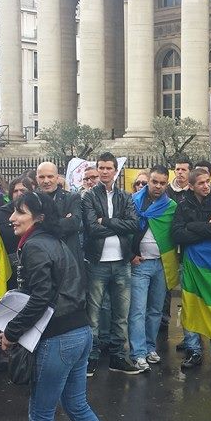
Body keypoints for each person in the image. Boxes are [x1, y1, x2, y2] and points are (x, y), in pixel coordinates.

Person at [0, 191, 123, 421]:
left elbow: (40, 298)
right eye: (13, 212)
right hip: (80, 333)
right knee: (77, 405)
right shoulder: (56, 242)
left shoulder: (35, 246)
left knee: (41, 414)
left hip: (59, 340)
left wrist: (11, 332)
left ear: (37, 218)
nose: (12, 218)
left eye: (20, 213)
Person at [82, 153, 141, 375]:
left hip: (122, 263)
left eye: (109, 168)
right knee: (93, 315)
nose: (105, 171)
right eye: (101, 168)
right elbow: (91, 228)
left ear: (115, 170)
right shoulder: (88, 197)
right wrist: (119, 225)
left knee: (121, 314)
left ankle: (118, 357)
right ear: (97, 170)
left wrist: (105, 221)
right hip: (97, 263)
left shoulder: (126, 197)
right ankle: (92, 356)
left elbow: (134, 225)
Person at [172, 167, 211, 370]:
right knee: (190, 305)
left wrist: (193, 226)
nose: (206, 186)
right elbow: (177, 235)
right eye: (200, 183)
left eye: (207, 181)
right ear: (191, 186)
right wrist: (206, 225)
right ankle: (193, 350)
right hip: (190, 261)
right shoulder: (183, 205)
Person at [127, 165, 175, 371]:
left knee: (155, 310)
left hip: (162, 264)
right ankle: (137, 353)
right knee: (137, 310)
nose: (158, 186)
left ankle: (149, 347)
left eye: (162, 183)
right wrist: (130, 255)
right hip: (141, 263)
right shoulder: (133, 202)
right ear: (148, 180)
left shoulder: (171, 206)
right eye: (154, 182)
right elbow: (125, 231)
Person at [36, 162, 83, 264]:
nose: (46, 181)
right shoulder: (31, 200)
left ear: (57, 178)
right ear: (37, 179)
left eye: (50, 176)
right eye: (42, 177)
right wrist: (62, 221)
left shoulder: (72, 198)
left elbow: (74, 223)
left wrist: (42, 223)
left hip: (68, 256)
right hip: (41, 256)